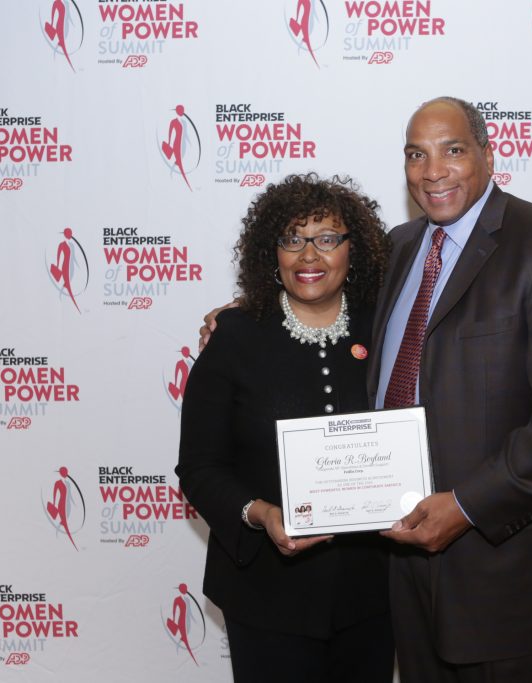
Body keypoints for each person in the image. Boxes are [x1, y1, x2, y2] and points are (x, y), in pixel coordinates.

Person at [201, 98, 532, 683]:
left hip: (512, 574)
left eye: (452, 150)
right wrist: (242, 315)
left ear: (487, 154)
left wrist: (468, 504)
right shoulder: (398, 250)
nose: (433, 171)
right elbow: (319, 294)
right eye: (416, 155)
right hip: (404, 576)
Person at [177, 173, 394, 683]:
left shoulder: (386, 327)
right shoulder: (234, 337)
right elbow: (200, 467)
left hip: (373, 590)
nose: (308, 255)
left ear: (353, 249)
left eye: (327, 238)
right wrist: (261, 513)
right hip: (265, 592)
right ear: (270, 252)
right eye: (292, 239)